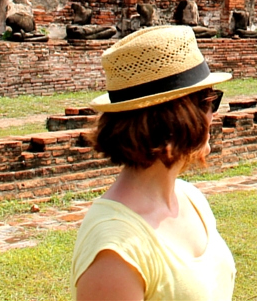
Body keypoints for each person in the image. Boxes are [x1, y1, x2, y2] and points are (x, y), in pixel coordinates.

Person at [71, 24, 235, 301]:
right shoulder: (115, 249)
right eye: (211, 101)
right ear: (180, 116)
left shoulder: (191, 199)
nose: (214, 115)